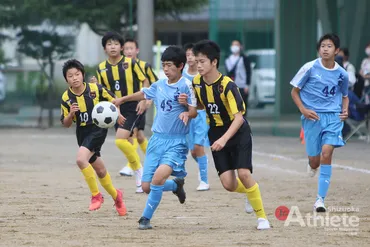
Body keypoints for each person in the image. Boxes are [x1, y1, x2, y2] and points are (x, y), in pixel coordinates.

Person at [179, 40, 270, 230]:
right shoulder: (196, 83)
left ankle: (262, 218)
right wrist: (188, 107)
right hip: (216, 132)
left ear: (214, 62)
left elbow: (239, 118)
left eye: (202, 61)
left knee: (244, 174)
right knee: (228, 184)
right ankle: (249, 191)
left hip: (237, 132)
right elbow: (200, 109)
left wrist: (223, 139)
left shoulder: (228, 85)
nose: (198, 65)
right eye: (197, 61)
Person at [114, 46, 197, 230]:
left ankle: (145, 218)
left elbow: (194, 111)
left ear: (180, 65)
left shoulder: (186, 85)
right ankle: (175, 186)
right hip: (156, 141)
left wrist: (187, 111)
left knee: (158, 179)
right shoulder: (159, 85)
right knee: (146, 186)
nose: (166, 69)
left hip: (176, 142)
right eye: (164, 65)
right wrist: (121, 100)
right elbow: (143, 94)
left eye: (169, 65)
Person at [290, 34, 349, 212]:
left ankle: (320, 200)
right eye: (322, 46)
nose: (325, 49)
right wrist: (303, 109)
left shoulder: (342, 74)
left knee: (327, 152)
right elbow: (294, 92)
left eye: (329, 46)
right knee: (315, 160)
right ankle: (312, 164)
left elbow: (344, 96)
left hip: (333, 117)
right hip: (312, 117)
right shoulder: (309, 68)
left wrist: (345, 110)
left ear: (336, 50)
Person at [60, 59, 127, 216]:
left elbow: (114, 100)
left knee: (80, 159)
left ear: (83, 75)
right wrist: (70, 114)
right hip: (82, 133)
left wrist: (118, 114)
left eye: (77, 74)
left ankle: (96, 196)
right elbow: (66, 123)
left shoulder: (95, 88)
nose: (75, 78)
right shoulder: (66, 97)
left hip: (97, 129)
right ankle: (117, 196)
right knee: (101, 170)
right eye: (70, 76)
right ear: (66, 79)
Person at [95, 32, 150, 193]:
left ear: (121, 47)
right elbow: (101, 89)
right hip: (114, 109)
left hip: (133, 105)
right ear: (105, 48)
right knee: (126, 140)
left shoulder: (130, 63)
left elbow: (145, 80)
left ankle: (140, 172)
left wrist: (143, 99)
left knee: (121, 140)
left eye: (116, 44)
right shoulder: (101, 68)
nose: (113, 47)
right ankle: (140, 171)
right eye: (109, 44)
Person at [119, 38, 158, 177]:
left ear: (137, 50)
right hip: (125, 104)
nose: (129, 51)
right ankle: (154, 161)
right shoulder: (121, 66)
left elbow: (154, 83)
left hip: (138, 104)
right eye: (126, 49)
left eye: (132, 48)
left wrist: (148, 100)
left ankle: (131, 165)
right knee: (140, 136)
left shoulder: (144, 66)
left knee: (133, 133)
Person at [182, 43, 210, 191]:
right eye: (187, 55)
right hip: (188, 116)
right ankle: (203, 163)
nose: (190, 57)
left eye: (192, 55)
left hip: (201, 115)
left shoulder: (202, 75)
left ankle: (204, 181)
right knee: (193, 151)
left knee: (199, 147)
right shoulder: (182, 75)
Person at [225, 40, 252, 116]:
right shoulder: (228, 59)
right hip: (231, 85)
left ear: (240, 47)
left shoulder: (244, 58)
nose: (234, 47)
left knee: (242, 105)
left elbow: (248, 72)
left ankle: (243, 122)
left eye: (236, 45)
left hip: (242, 86)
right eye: (233, 45)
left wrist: (247, 85)